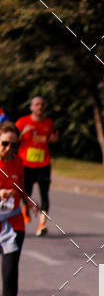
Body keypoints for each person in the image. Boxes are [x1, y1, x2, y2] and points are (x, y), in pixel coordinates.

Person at [16, 96, 58, 237]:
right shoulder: (22, 122)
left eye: (42, 104)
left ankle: (42, 224)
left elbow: (50, 139)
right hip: (26, 164)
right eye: (37, 104)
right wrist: (23, 132)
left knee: (44, 194)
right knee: (25, 192)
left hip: (43, 164)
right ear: (31, 107)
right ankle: (25, 209)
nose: (40, 107)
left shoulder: (48, 123)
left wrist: (53, 140)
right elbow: (12, 140)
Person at [0, 123, 27, 296]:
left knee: (9, 273)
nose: (9, 148)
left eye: (13, 144)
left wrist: (29, 202)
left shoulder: (18, 163)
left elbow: (21, 188)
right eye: (4, 143)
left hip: (14, 224)